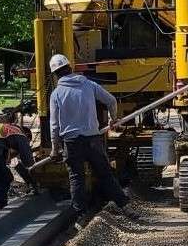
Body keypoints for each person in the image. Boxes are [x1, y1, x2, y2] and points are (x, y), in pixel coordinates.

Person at [47, 53, 130, 227]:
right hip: (93, 139)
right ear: (70, 68)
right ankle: (125, 206)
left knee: (77, 177)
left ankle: (81, 217)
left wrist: (55, 148)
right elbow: (111, 100)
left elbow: (54, 125)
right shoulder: (88, 85)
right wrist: (113, 120)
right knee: (105, 173)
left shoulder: (56, 94)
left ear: (55, 74)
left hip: (71, 142)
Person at [0, 122, 36, 213]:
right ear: (27, 135)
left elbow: (1, 147)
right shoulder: (19, 133)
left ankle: (0, 204)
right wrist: (34, 179)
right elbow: (28, 160)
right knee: (6, 177)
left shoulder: (6, 128)